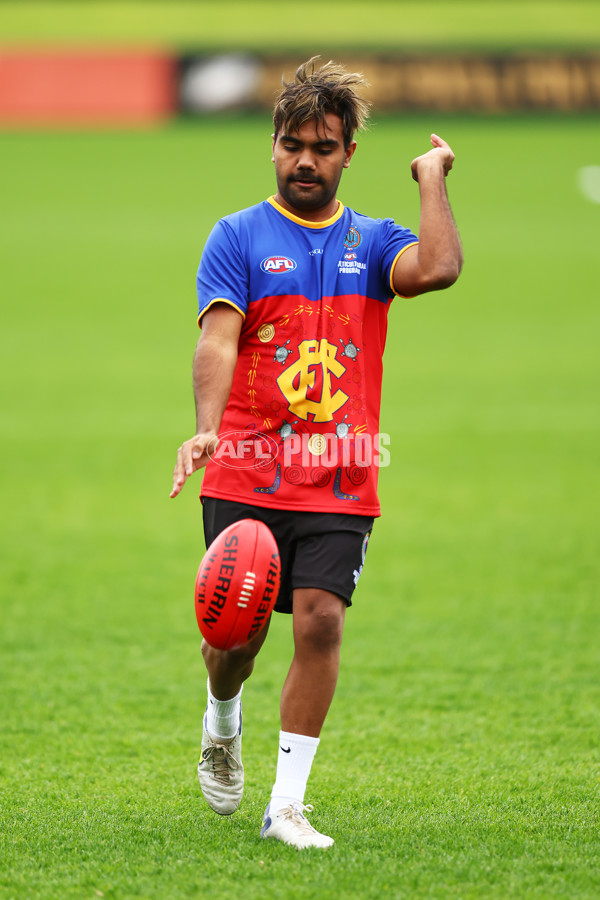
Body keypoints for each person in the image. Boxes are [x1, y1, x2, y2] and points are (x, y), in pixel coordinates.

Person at [170, 57, 462, 849]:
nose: (306, 159)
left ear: (346, 154)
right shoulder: (237, 235)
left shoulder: (373, 242)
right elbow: (218, 339)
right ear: (273, 145)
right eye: (292, 143)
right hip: (246, 464)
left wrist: (431, 177)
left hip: (341, 470)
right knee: (236, 637)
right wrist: (205, 425)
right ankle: (222, 718)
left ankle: (286, 806)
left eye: (323, 146)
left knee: (322, 623)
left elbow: (436, 268)